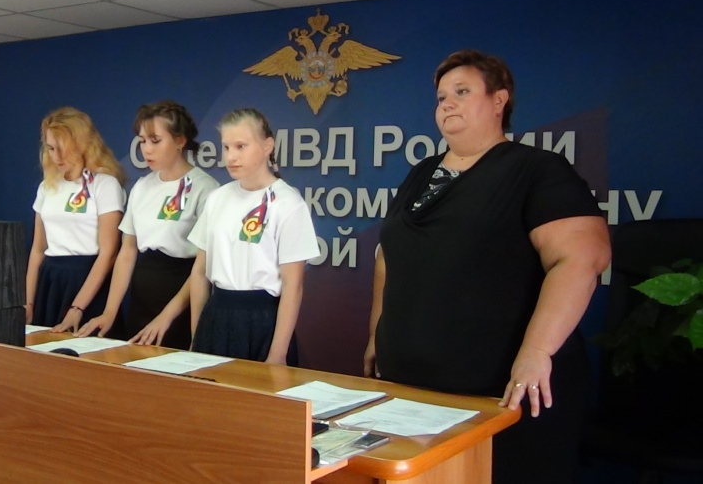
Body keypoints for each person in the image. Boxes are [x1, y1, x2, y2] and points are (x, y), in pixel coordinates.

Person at [362, 50, 610, 484]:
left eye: (461, 92)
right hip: (412, 394)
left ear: (499, 100)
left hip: (501, 397)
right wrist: (376, 334)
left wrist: (537, 352)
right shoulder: (421, 173)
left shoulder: (536, 169)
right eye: (441, 98)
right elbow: (389, 258)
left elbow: (582, 258)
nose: (447, 104)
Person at [77, 101, 219, 348]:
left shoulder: (206, 189)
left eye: (155, 141)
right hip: (141, 300)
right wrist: (110, 311)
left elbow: (202, 267)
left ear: (180, 140)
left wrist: (166, 317)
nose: (146, 149)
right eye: (142, 141)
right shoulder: (142, 186)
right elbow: (128, 252)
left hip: (181, 298)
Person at [187, 108, 319, 365]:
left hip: (262, 321)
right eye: (226, 147)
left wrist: (278, 353)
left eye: (241, 146)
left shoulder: (288, 203)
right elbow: (200, 272)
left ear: (267, 146)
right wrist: (197, 334)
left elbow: (293, 285)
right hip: (216, 316)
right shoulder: (217, 198)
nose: (231, 156)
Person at [25, 106, 126, 335]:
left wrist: (78, 307)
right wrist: (29, 303)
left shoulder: (105, 184)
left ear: (81, 144)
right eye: (51, 148)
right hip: (50, 281)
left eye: (62, 149)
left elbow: (109, 252)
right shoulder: (47, 187)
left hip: (88, 280)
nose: (56, 157)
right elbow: (38, 249)